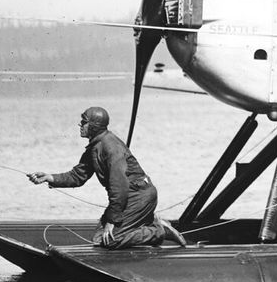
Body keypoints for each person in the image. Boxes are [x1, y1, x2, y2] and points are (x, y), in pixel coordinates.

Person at [27, 106, 187, 249]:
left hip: (137, 196)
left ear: (94, 126)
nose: (80, 126)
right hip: (130, 196)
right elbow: (77, 176)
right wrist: (49, 177)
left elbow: (120, 188)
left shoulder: (110, 147)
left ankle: (159, 231)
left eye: (83, 122)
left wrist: (112, 221)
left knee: (111, 240)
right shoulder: (95, 146)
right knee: (99, 238)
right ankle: (147, 225)